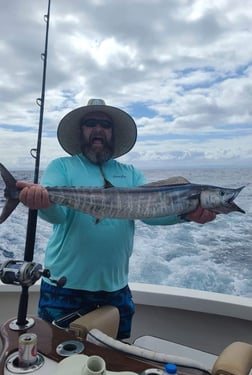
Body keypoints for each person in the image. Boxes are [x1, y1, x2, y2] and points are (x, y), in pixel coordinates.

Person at [17, 99, 216, 339]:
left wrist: (187, 215)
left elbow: (151, 214)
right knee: (59, 359)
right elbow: (58, 216)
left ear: (113, 133)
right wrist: (42, 203)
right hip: (64, 287)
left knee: (115, 360)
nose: (98, 129)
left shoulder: (130, 173)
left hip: (116, 289)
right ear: (81, 131)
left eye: (105, 124)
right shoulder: (63, 166)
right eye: (91, 123)